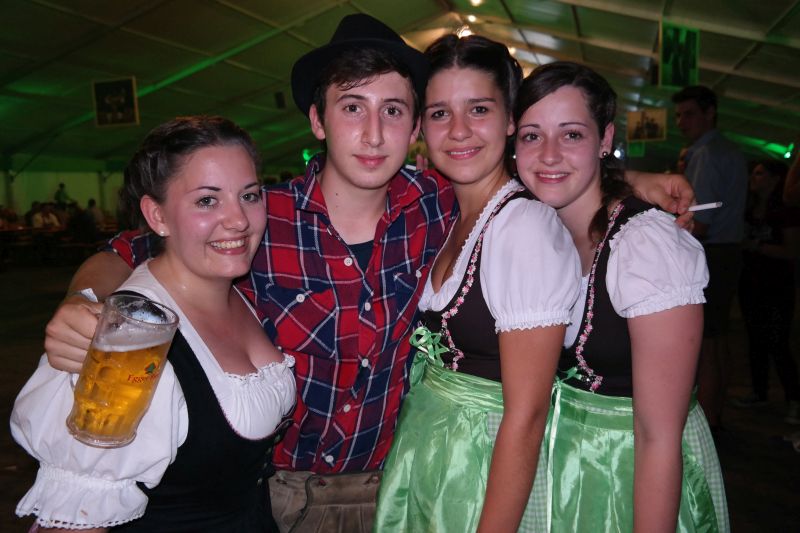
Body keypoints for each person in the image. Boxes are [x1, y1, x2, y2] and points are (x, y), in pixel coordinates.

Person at [41, 15, 696, 533]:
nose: (374, 133)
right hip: (282, 494)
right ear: (317, 120)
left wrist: (629, 178)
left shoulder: (438, 206)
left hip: (398, 487)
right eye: (353, 107)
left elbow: (537, 175)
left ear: (414, 129)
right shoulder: (259, 218)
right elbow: (131, 245)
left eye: (395, 110)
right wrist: (83, 298)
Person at [12, 116, 296, 531]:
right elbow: (75, 520)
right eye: (207, 200)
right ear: (156, 215)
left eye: (249, 195)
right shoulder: (130, 342)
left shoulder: (235, 292)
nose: (239, 220)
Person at [375, 35, 580, 533]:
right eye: (440, 113)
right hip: (435, 463)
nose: (459, 130)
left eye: (479, 109)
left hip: (486, 475)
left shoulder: (524, 228)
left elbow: (527, 417)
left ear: (511, 119)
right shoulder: (446, 210)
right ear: (421, 125)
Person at [515, 61, 728, 532]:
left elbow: (658, 437)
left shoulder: (648, 245)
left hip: (634, 478)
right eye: (532, 136)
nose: (548, 155)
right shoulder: (537, 224)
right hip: (566, 472)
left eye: (572, 134)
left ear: (605, 137)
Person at [672, 85, 748, 432]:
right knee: (718, 338)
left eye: (688, 114)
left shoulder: (705, 154)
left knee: (704, 342)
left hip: (712, 251)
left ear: (709, 113)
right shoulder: (729, 149)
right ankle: (716, 412)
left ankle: (706, 421)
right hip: (730, 249)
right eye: (678, 115)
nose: (680, 122)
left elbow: (698, 221)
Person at [733, 160, 800, 424]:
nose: (753, 177)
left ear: (775, 179)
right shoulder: (749, 208)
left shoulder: (785, 211)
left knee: (778, 342)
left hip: (777, 284)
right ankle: (759, 392)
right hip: (751, 281)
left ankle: (794, 400)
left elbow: (791, 251)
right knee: (755, 339)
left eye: (760, 174)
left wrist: (756, 246)